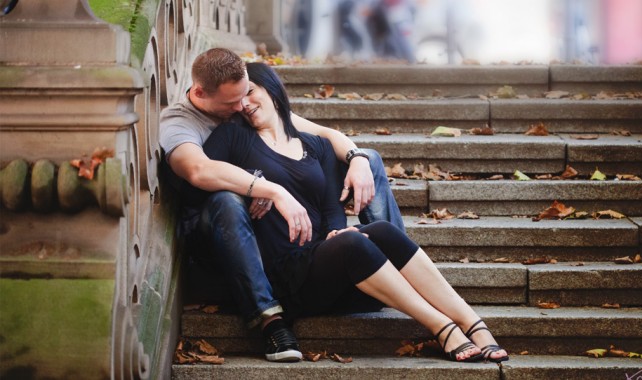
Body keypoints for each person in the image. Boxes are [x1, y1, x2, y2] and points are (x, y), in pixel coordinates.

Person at [201, 61, 509, 363]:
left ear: (271, 88)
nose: (244, 104)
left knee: (381, 233)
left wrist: (337, 230)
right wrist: (252, 182)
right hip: (283, 277)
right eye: (238, 99)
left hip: (321, 264)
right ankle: (443, 328)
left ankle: (473, 324)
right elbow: (201, 181)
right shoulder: (233, 138)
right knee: (353, 244)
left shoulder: (316, 146)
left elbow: (330, 207)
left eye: (250, 92)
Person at [159, 48, 403, 362]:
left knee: (368, 158)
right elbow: (198, 170)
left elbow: (323, 134)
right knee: (227, 198)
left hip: (263, 222)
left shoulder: (241, 103)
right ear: (199, 93)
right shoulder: (179, 121)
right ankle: (269, 320)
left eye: (246, 93)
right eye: (232, 102)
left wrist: (356, 159)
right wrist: (263, 186)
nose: (242, 107)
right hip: (212, 228)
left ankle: (392, 261)